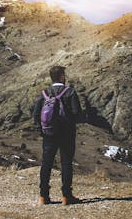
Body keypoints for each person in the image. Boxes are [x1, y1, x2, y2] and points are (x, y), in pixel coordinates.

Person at [32, 65, 83, 205]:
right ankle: (66, 196)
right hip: (67, 134)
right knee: (66, 163)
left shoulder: (44, 93)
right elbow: (77, 114)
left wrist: (43, 129)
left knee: (46, 163)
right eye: (64, 75)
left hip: (49, 134)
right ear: (61, 76)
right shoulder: (70, 92)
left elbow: (36, 114)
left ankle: (43, 196)